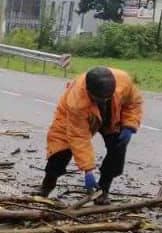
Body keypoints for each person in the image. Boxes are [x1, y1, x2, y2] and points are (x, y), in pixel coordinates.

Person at [39, 65, 143, 203]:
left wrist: (129, 125)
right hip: (71, 118)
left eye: (108, 97)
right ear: (89, 91)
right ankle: (46, 187)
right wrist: (88, 170)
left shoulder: (123, 81)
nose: (104, 101)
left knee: (118, 148)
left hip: (110, 116)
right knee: (60, 152)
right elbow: (79, 137)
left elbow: (133, 103)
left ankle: (103, 190)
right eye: (100, 99)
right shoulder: (76, 102)